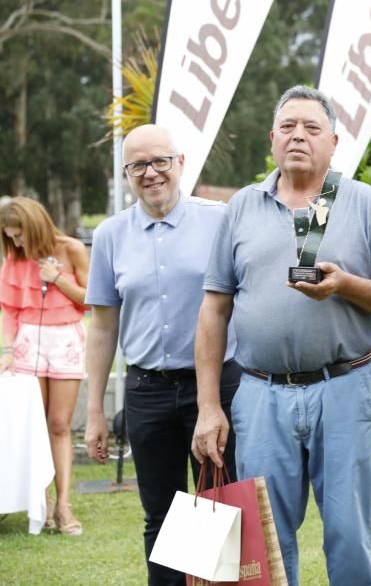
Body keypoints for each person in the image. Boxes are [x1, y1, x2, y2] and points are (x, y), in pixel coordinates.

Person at [191, 85, 371, 586]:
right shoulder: (242, 208)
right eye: (288, 126)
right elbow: (213, 310)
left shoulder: (361, 203)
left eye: (312, 128)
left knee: (348, 533)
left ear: (333, 142)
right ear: (272, 139)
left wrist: (346, 285)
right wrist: (210, 406)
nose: (298, 136)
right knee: (263, 537)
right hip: (261, 393)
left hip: (345, 388)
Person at [83, 124, 241, 586]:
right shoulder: (110, 235)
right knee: (162, 515)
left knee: (217, 508)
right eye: (138, 166)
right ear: (126, 174)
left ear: (180, 164)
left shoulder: (219, 220)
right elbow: (103, 326)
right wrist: (96, 409)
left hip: (213, 388)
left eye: (160, 162)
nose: (150, 173)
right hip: (146, 391)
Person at [1, 197, 89, 536]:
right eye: (11, 237)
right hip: (28, 341)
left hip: (65, 338)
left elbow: (93, 297)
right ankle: (43, 503)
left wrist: (58, 279)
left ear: (35, 226)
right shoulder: (13, 258)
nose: (17, 242)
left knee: (59, 424)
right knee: (34, 426)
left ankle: (64, 503)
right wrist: (8, 349)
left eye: (20, 235)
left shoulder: (72, 249)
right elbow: (9, 309)